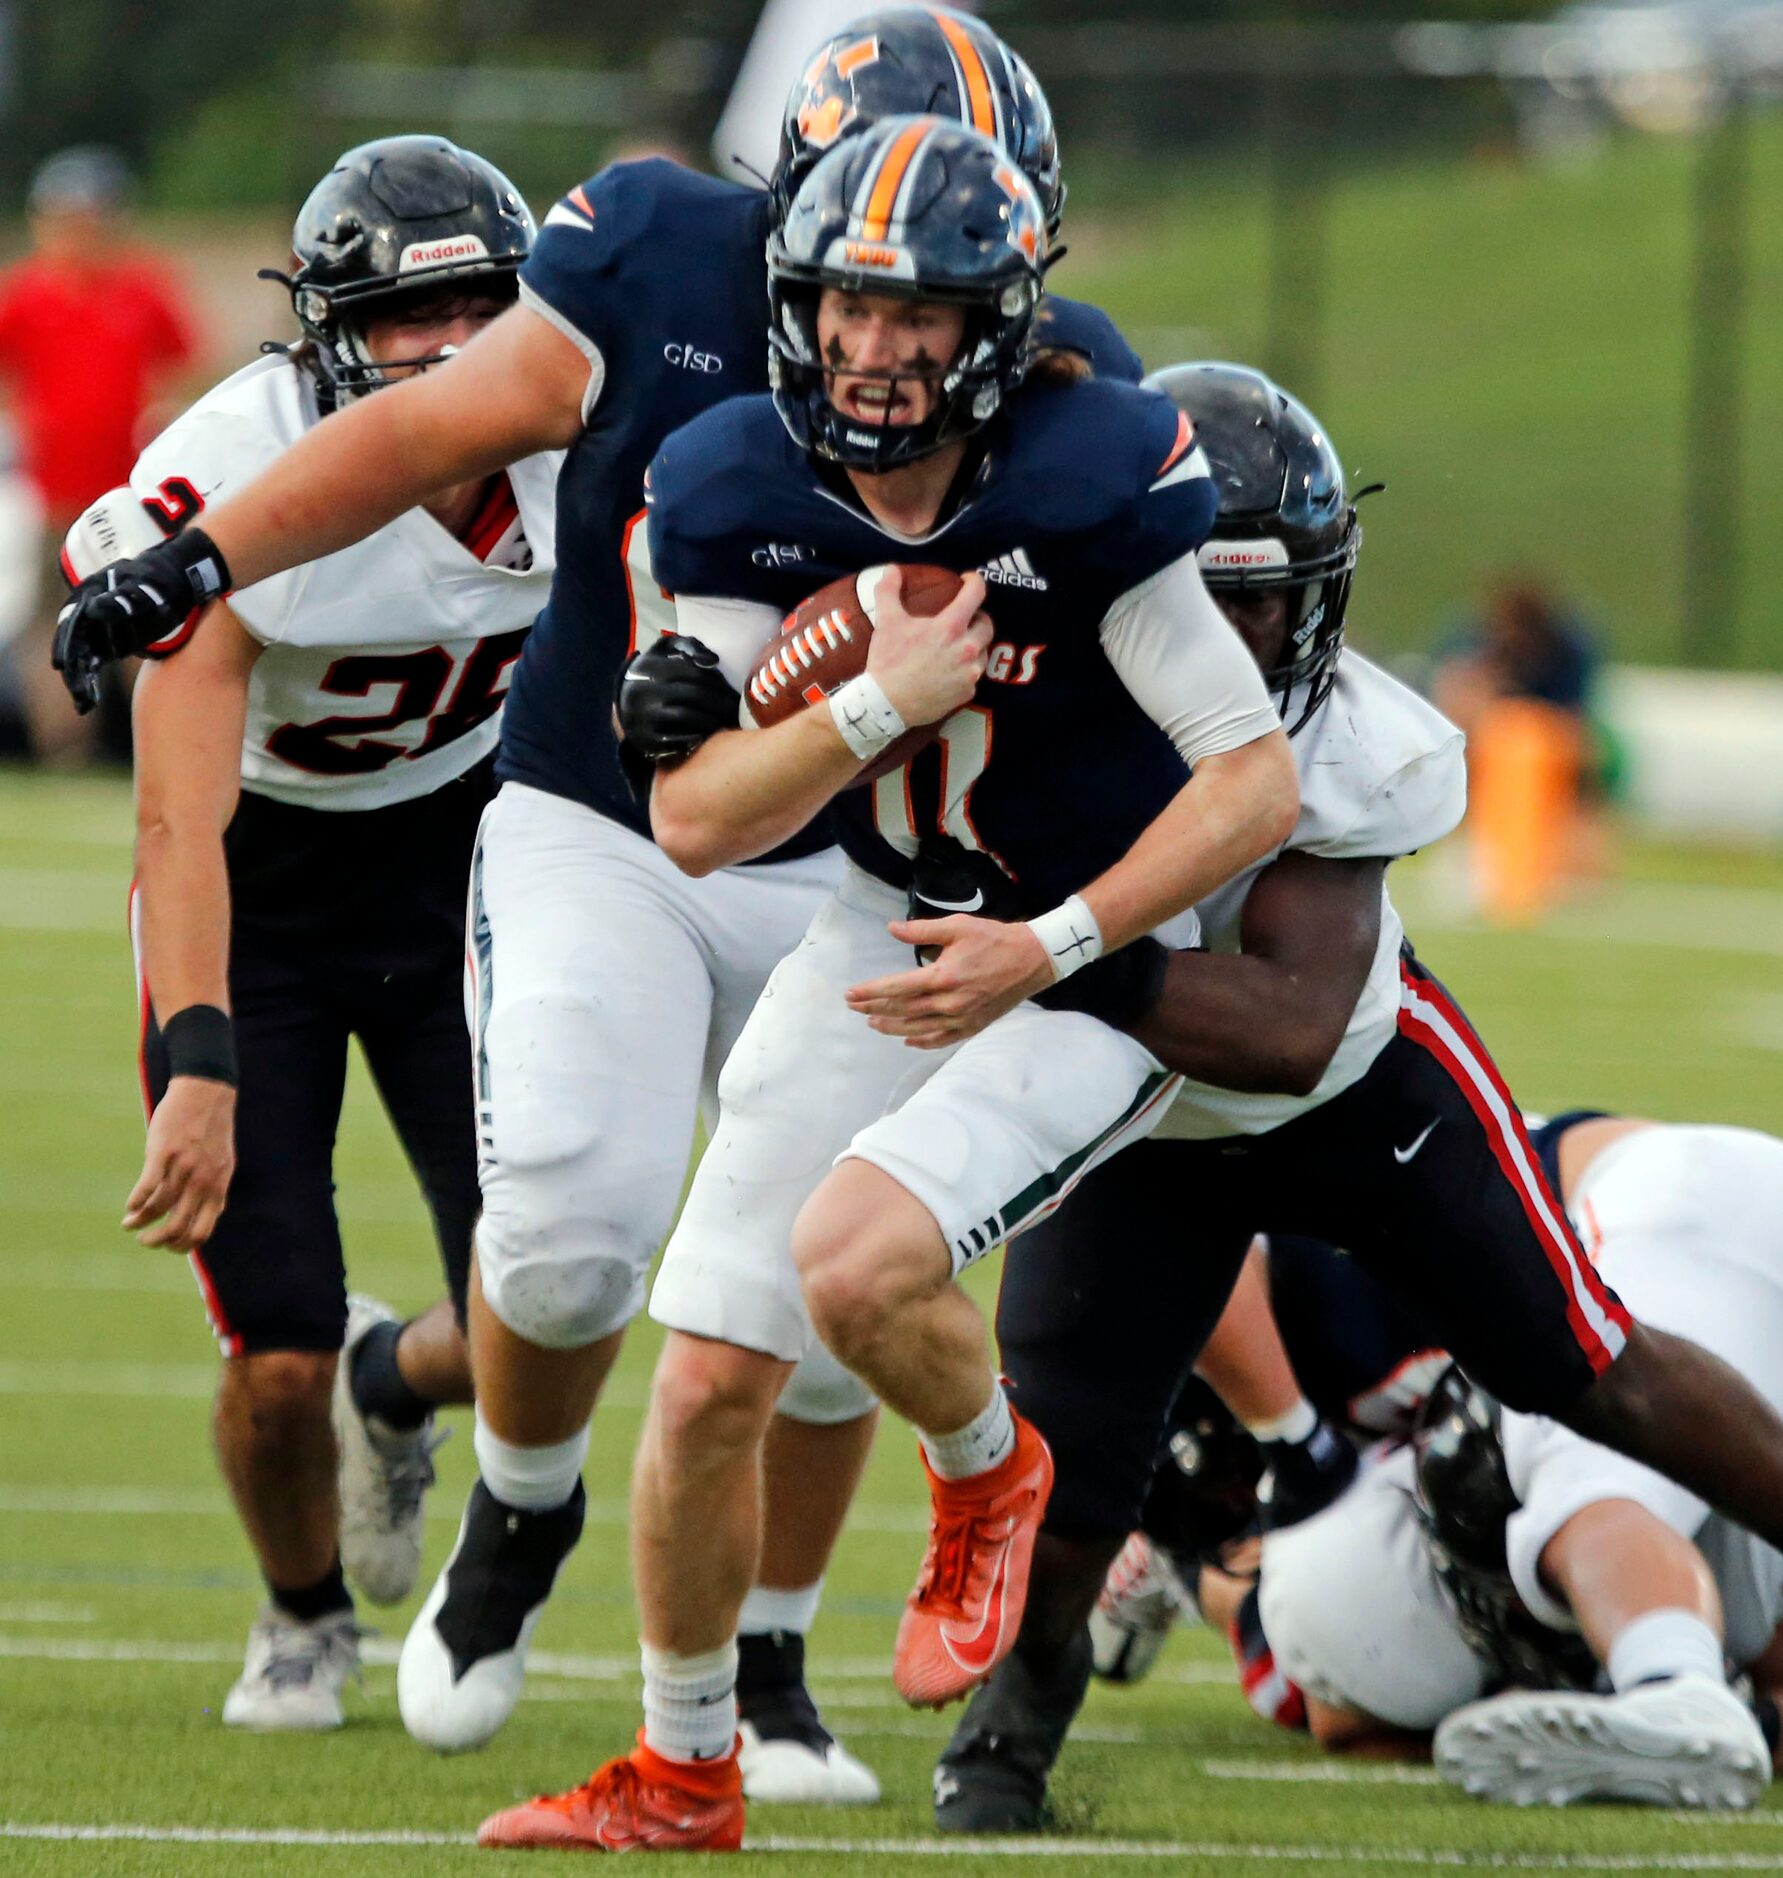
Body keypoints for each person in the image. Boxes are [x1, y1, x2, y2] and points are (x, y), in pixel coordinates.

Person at [51, 8, 1142, 1800]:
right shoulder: (648, 278)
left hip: (849, 859)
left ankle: (765, 1660)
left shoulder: (1074, 405)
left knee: (797, 1291)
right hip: (597, 812)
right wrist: (202, 554)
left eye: (945, 282)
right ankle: (519, 1507)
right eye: (853, 280)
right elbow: (432, 427)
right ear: (776, 222)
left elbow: (1153, 679)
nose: (885, 340)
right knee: (561, 1242)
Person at [470, 116, 1298, 1853]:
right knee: (703, 1379)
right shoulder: (727, 485)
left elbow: (1250, 784)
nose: (872, 346)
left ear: (996, 323)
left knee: (850, 1271)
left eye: (918, 313)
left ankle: (992, 1467)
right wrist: (871, 703)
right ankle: (687, 1770)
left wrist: (1048, 943)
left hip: (1098, 956)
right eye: (846, 302)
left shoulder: (1084, 478)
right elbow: (691, 821)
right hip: (887, 918)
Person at [930, 362, 1783, 1833]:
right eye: (1192, 595)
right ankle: (1006, 1743)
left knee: (1588, 1364)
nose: (1224, 635)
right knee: (1067, 1450)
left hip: (1350, 1082)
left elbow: (1287, 1021)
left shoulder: (1359, 738)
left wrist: (1048, 959)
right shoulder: (1030, 697)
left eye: (1256, 596)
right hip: (1134, 1110)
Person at [69, 135, 553, 1730]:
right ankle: (297, 1610)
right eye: (406, 320)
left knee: (553, 1291)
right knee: (271, 1351)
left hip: (464, 874)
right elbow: (178, 815)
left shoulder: (579, 437)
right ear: (324, 332)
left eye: (482, 306)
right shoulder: (234, 477)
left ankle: (390, 1380)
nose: (445, 354)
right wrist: (197, 1058)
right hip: (258, 890)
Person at [1258, 1112, 1783, 1811]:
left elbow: (1198, 1247)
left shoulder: (1271, 1261)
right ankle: (1669, 1680)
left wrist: (1290, 1442)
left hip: (1683, 1200)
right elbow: (1343, 1717)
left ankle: (1669, 1679)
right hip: (1695, 1273)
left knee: (1560, 1435)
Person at [0, 146, 197, 764]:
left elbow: (180, 368)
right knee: (52, 619)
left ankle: (148, 743)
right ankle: (65, 749)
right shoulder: (26, 295)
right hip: (54, 485)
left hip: (129, 490)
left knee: (149, 610)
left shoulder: (142, 289)